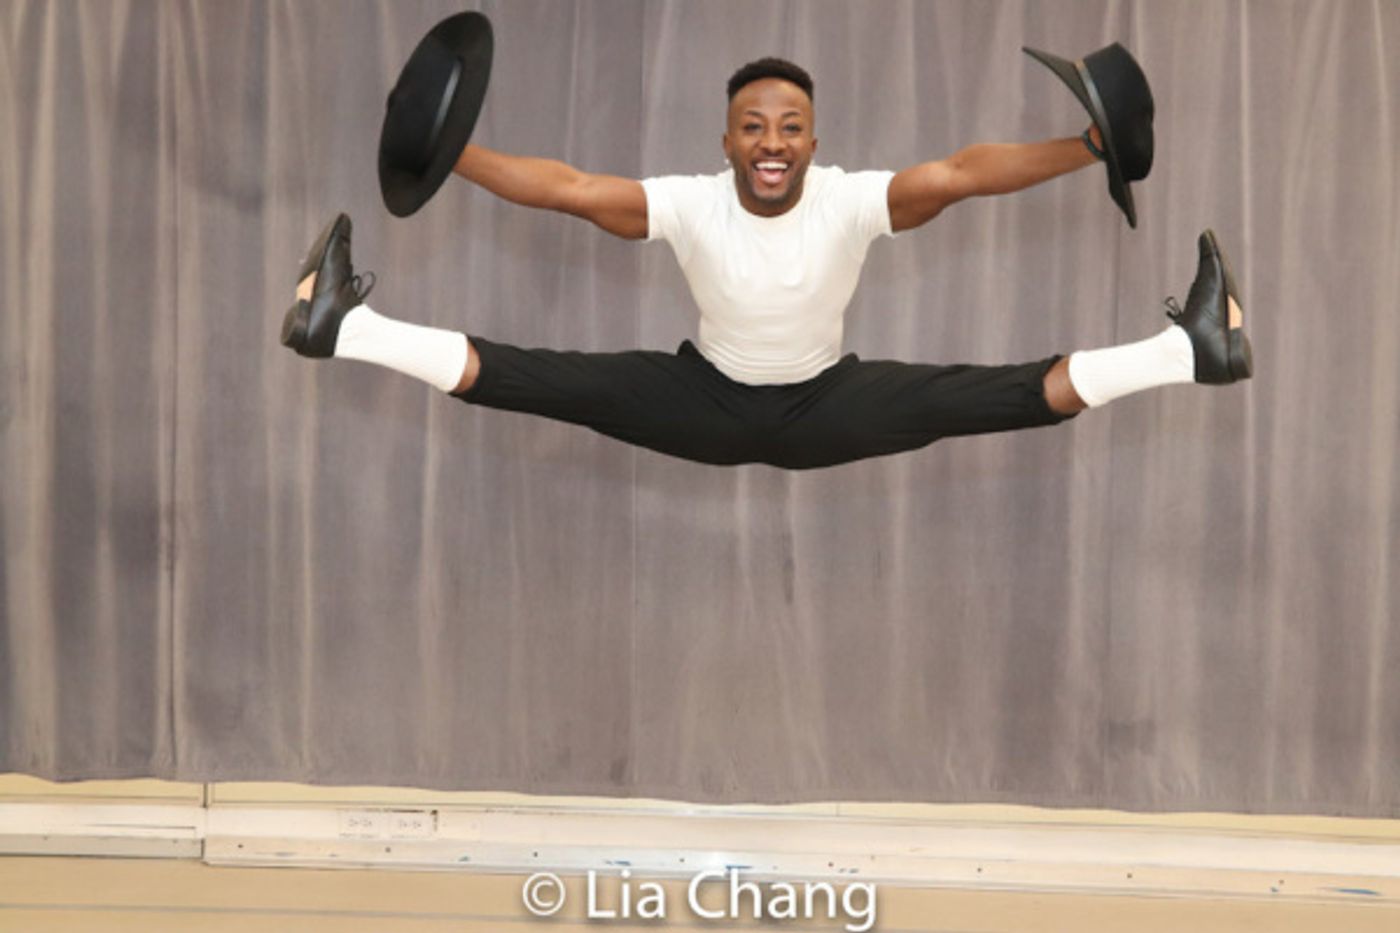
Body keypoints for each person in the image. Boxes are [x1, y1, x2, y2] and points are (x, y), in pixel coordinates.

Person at [280, 57, 1251, 470]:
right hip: (698, 400)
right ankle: (343, 329)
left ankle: (1191, 352)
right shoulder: (691, 202)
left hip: (827, 404)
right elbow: (570, 188)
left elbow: (957, 175)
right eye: (753, 126)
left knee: (1005, 392)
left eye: (790, 126)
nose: (772, 140)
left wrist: (1086, 145)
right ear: (728, 139)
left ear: (813, 140)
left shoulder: (848, 198)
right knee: (532, 375)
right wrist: (444, 148)